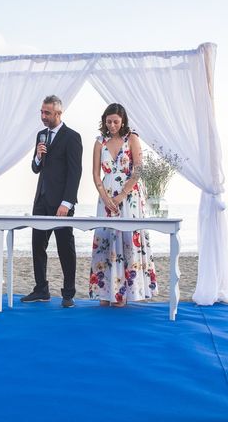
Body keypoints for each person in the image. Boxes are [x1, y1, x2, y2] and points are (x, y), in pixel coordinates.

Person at [90, 103, 157, 306]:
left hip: (129, 197)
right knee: (106, 240)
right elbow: (95, 173)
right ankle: (106, 292)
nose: (111, 125)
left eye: (116, 121)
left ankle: (125, 294)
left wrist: (121, 196)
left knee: (128, 239)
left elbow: (138, 170)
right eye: (108, 121)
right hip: (105, 196)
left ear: (123, 121)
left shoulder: (132, 138)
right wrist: (105, 197)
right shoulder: (100, 142)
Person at [21, 95, 83, 308]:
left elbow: (75, 173)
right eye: (41, 112)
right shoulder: (41, 135)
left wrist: (67, 203)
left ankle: (68, 293)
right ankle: (41, 290)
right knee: (37, 245)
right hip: (41, 200)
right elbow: (36, 168)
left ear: (58, 113)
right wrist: (38, 155)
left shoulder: (72, 137)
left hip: (61, 204)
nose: (43, 116)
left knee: (65, 247)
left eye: (47, 112)